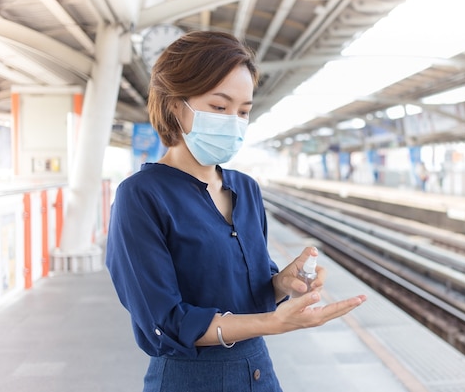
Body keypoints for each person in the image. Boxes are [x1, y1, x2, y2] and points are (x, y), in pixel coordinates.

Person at [105, 31, 366, 392]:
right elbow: (163, 323)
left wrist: (281, 283)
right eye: (218, 107)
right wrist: (270, 323)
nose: (233, 121)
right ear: (175, 104)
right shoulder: (141, 196)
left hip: (258, 373)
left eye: (244, 111)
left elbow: (251, 293)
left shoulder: (246, 188)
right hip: (188, 381)